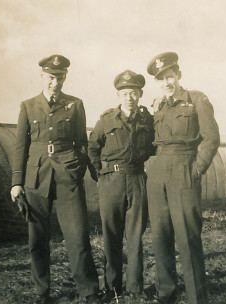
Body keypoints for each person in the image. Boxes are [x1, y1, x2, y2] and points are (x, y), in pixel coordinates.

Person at [10, 54, 100, 304]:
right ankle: (42, 292)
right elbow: (20, 146)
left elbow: (82, 142)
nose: (55, 82)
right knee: (37, 239)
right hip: (36, 178)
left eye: (60, 77)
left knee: (78, 236)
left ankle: (89, 291)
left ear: (65, 77)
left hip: (67, 177)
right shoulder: (28, 106)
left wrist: (76, 168)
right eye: (51, 77)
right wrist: (17, 182)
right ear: (42, 76)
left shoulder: (76, 104)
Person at [145, 52, 220, 304]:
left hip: (184, 171)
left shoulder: (197, 99)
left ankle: (197, 298)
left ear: (178, 75)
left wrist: (196, 170)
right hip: (158, 174)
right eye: (161, 79)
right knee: (160, 235)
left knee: (188, 237)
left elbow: (211, 139)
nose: (166, 82)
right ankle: (166, 294)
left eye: (169, 76)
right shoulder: (158, 106)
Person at [88, 70, 154, 303]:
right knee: (112, 236)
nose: (129, 98)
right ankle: (112, 287)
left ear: (140, 94)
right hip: (111, 182)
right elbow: (92, 148)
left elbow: (154, 148)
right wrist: (101, 175)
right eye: (125, 93)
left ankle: (135, 288)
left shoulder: (147, 120)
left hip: (137, 180)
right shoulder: (106, 120)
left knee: (136, 236)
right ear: (118, 95)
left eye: (133, 93)